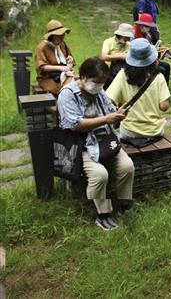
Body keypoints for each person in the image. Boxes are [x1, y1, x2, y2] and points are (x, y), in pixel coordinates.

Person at [56, 57, 134, 231]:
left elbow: (110, 114)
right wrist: (106, 119)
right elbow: (74, 125)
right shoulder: (67, 94)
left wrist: (118, 115)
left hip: (105, 141)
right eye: (96, 82)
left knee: (127, 166)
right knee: (99, 175)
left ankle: (124, 204)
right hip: (81, 144)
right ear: (83, 76)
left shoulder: (99, 92)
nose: (99, 86)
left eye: (103, 82)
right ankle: (103, 214)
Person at [106, 38, 171, 146]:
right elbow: (164, 106)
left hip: (128, 132)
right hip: (154, 131)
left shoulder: (123, 75)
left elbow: (108, 100)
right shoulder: (158, 77)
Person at [35, 19, 75, 97]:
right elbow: (43, 67)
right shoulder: (42, 47)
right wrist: (60, 68)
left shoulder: (63, 44)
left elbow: (70, 60)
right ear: (52, 36)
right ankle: (58, 107)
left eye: (63, 34)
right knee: (68, 90)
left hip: (65, 76)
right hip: (48, 78)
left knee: (80, 85)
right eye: (59, 35)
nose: (63, 36)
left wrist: (70, 60)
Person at [133, 13, 171, 86]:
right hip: (139, 60)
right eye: (146, 26)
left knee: (166, 66)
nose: (148, 28)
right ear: (141, 25)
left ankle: (165, 89)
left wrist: (159, 49)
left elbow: (151, 47)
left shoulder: (148, 35)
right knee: (161, 70)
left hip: (148, 59)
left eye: (149, 26)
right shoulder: (133, 34)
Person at [101, 23, 134, 89]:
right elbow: (104, 57)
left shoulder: (129, 45)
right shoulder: (109, 42)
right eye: (127, 37)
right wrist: (119, 56)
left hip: (123, 71)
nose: (128, 39)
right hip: (108, 72)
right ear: (121, 35)